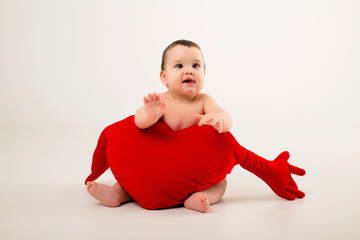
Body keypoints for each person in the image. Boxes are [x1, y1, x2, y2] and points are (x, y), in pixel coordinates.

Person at [87, 39, 232, 213]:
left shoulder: (205, 101)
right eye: (179, 66)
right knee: (133, 177)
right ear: (164, 77)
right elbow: (138, 122)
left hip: (191, 168)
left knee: (220, 182)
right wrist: (150, 114)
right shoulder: (161, 101)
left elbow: (225, 116)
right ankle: (118, 194)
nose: (189, 71)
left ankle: (200, 197)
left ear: (204, 72)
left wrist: (219, 119)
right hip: (156, 166)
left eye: (195, 65)